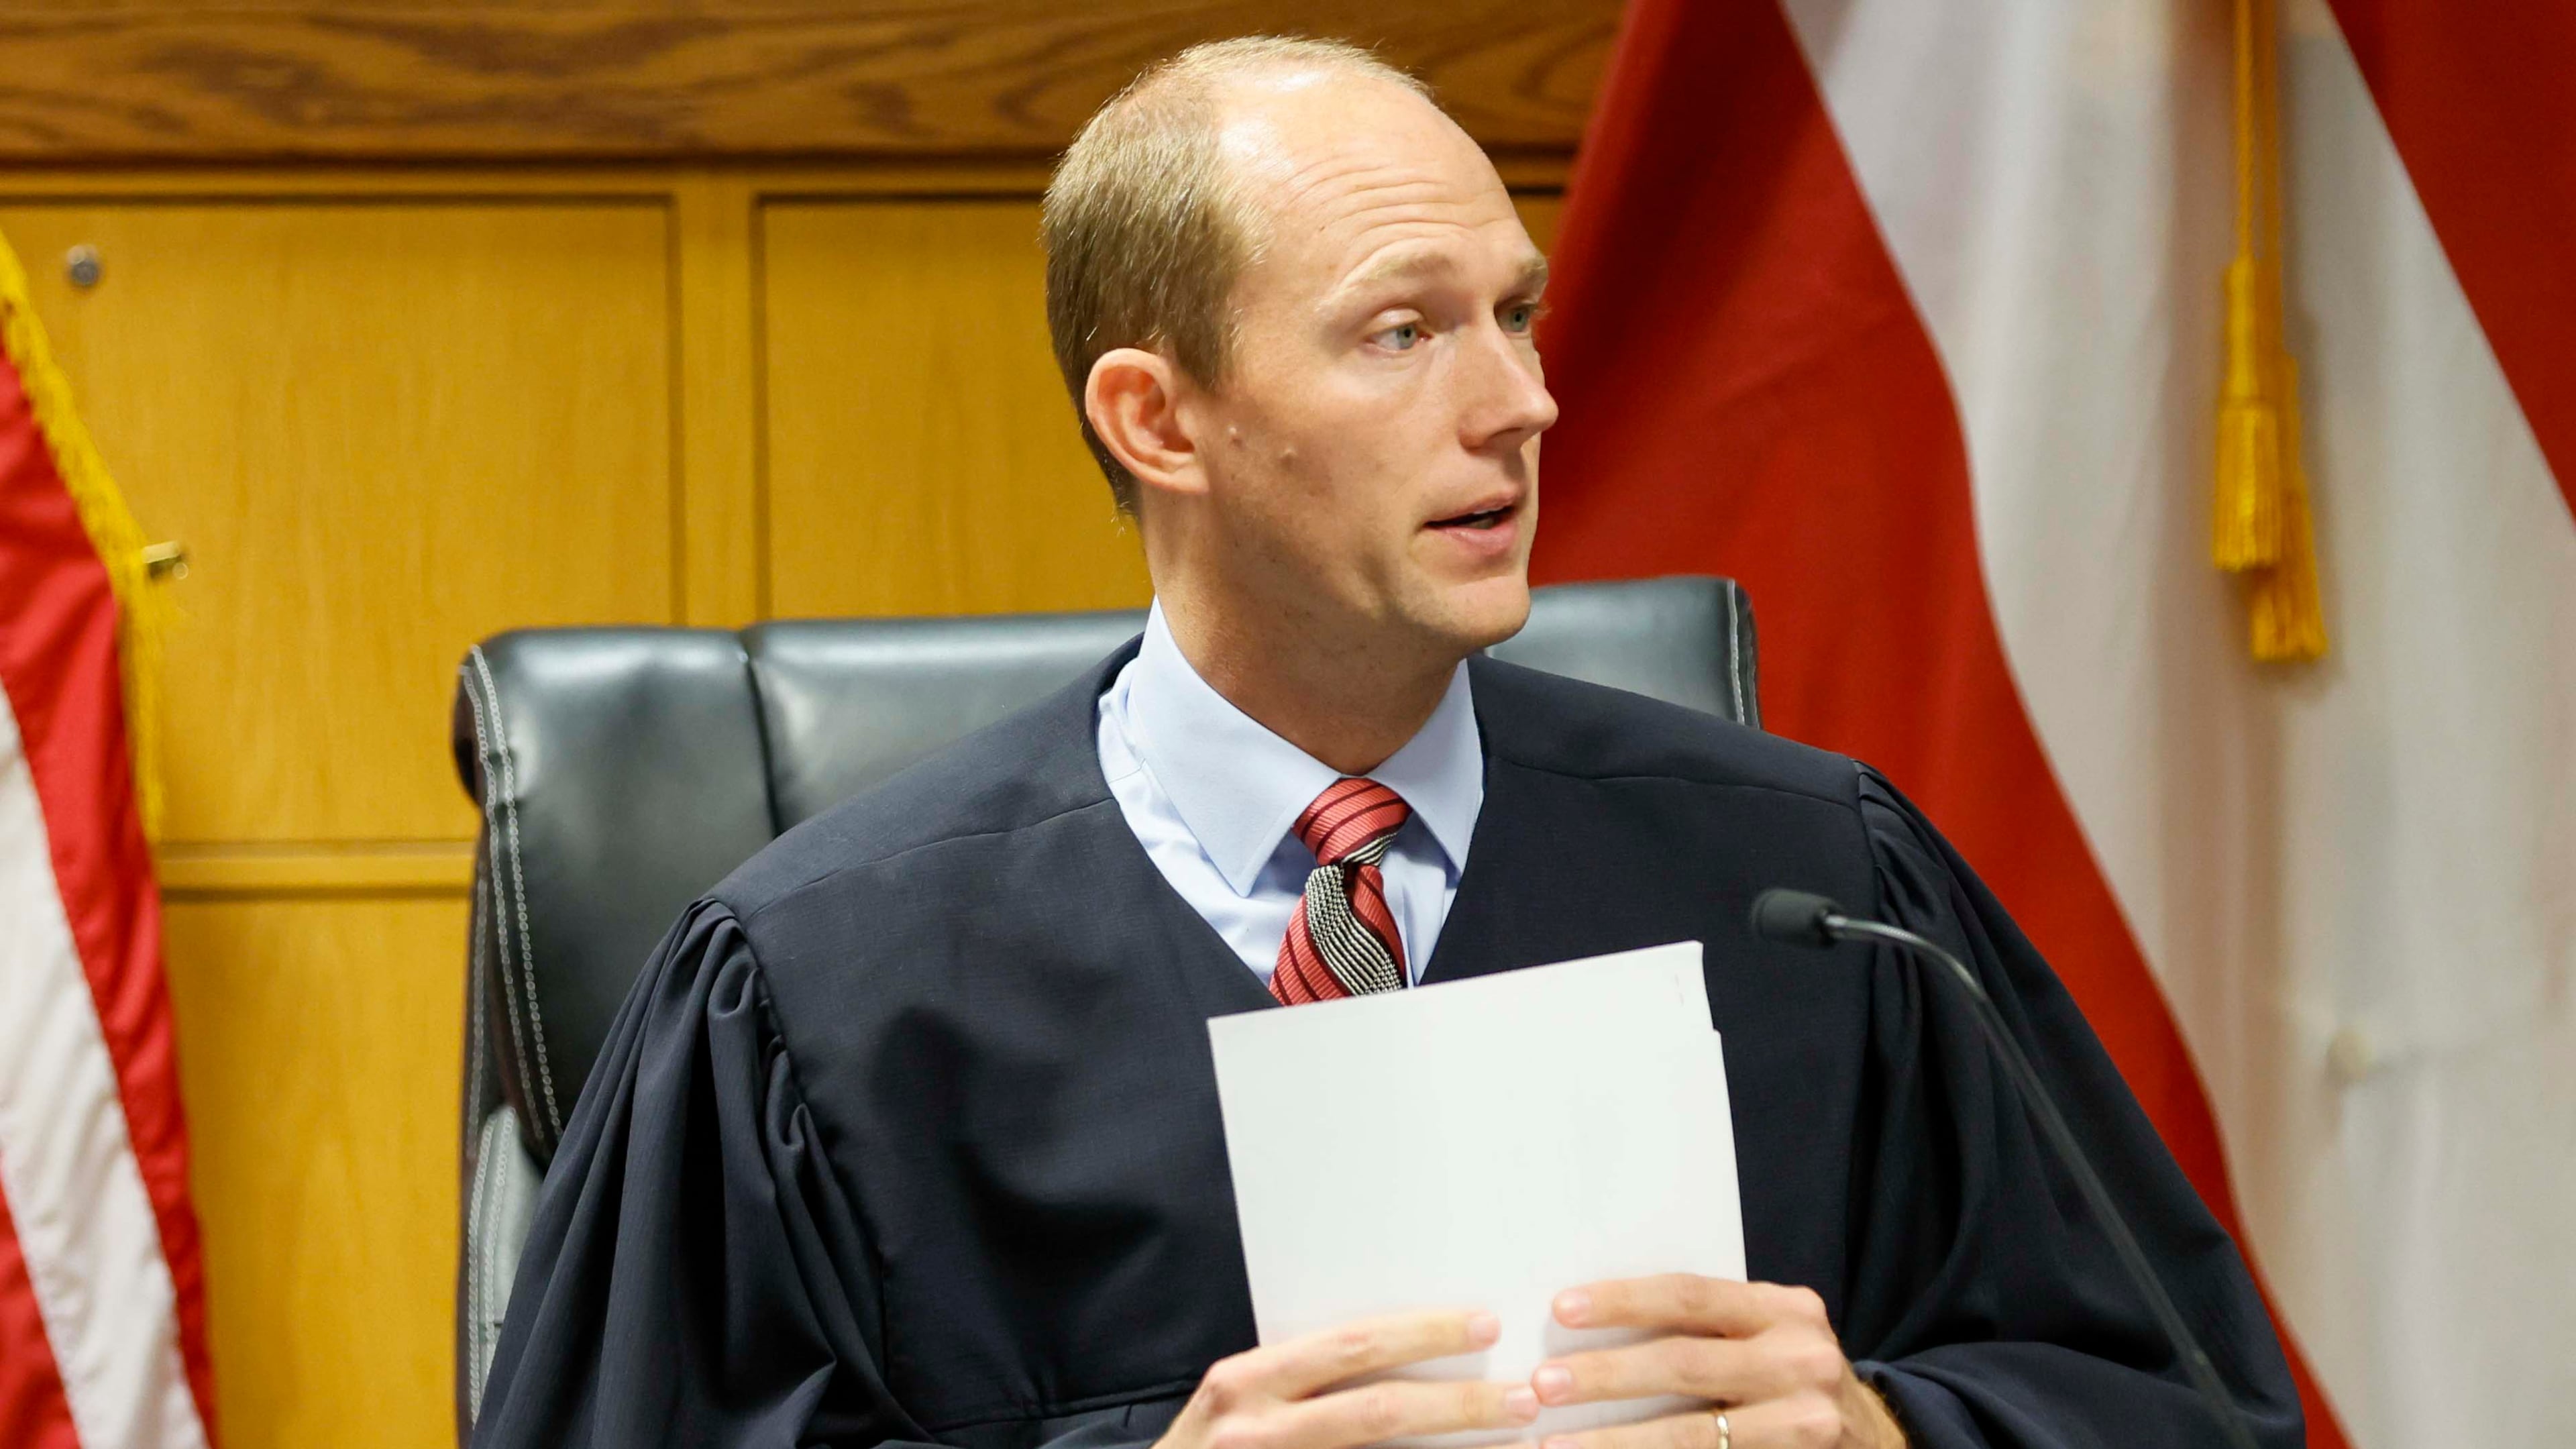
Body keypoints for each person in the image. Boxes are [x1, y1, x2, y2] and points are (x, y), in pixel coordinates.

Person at [472, 36, 2302, 1449]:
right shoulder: (818, 995)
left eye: (1516, 313)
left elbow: (2190, 1405)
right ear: (1157, 419)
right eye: (1404, 332)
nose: (1521, 404)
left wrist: (1892, 1425)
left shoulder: (1818, 891)